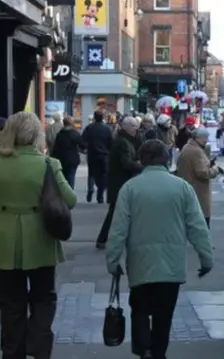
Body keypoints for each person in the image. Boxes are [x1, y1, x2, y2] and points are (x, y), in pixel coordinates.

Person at [106, 139, 214, 359]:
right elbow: (197, 226)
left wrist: (113, 260)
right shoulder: (182, 188)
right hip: (171, 267)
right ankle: (158, 352)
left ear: (142, 160)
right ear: (167, 160)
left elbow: (118, 229)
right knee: (164, 316)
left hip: (140, 264)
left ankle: (144, 348)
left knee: (140, 309)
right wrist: (206, 258)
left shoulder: (130, 189)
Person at [0, 111, 77, 359]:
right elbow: (71, 200)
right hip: (41, 239)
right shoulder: (47, 164)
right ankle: (39, 345)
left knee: (11, 303)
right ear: (36, 135)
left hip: (4, 241)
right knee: (44, 297)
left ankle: (13, 350)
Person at [96, 116, 142, 249]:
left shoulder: (124, 140)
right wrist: (140, 165)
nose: (136, 129)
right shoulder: (123, 142)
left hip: (120, 182)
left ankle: (105, 239)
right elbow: (126, 163)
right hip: (120, 182)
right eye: (133, 127)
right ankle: (103, 239)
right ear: (126, 127)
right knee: (116, 212)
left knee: (118, 212)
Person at [176, 128, 224, 227]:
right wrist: (215, 169)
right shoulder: (196, 151)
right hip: (198, 190)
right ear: (200, 138)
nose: (206, 141)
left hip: (189, 187)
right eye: (206, 138)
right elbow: (203, 172)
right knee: (202, 225)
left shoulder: (188, 147)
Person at [82, 110, 113, 203]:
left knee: (91, 173)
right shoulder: (107, 129)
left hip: (92, 154)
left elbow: (82, 140)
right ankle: (100, 195)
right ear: (103, 117)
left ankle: (90, 188)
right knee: (103, 174)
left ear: (95, 117)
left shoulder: (89, 128)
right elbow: (111, 142)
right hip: (104, 155)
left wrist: (87, 147)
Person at [50, 116, 84, 189]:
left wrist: (52, 158)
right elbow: (82, 145)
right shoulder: (75, 134)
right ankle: (70, 193)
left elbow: (56, 148)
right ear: (72, 124)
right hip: (73, 159)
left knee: (63, 177)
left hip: (62, 159)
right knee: (71, 177)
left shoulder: (60, 134)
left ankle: (64, 193)